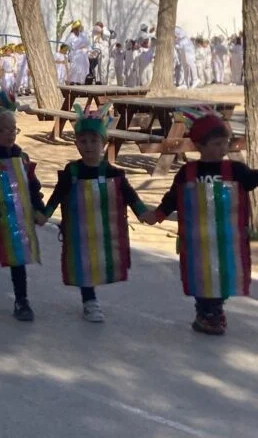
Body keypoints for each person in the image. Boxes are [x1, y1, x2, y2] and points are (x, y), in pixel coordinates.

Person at [142, 110, 258, 335]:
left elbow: (253, 179)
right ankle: (207, 312)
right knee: (200, 277)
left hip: (226, 240)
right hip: (197, 241)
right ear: (199, 146)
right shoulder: (188, 172)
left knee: (222, 277)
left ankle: (213, 311)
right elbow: (173, 198)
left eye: (225, 143)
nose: (222, 148)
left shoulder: (235, 170)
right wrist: (158, 215)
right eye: (216, 143)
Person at [38, 104, 149, 322]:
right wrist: (45, 213)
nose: (88, 146)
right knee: (83, 264)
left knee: (100, 262)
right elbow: (58, 194)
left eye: (94, 140)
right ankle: (89, 300)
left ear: (104, 143)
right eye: (83, 141)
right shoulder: (72, 171)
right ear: (77, 143)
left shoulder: (113, 172)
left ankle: (91, 298)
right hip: (79, 230)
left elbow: (129, 194)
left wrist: (143, 212)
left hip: (105, 230)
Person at [0, 103, 44, 320]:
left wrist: (39, 208)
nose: (9, 134)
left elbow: (32, 185)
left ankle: (22, 301)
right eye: (2, 130)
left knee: (18, 262)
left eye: (13, 129)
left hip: (18, 223)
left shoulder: (20, 157)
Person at [66, 21, 90, 85]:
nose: (80, 29)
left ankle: (80, 81)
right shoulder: (71, 36)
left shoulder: (82, 35)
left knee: (83, 68)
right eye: (79, 27)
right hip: (75, 54)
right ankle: (72, 80)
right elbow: (66, 44)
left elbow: (87, 42)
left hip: (82, 54)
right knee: (75, 68)